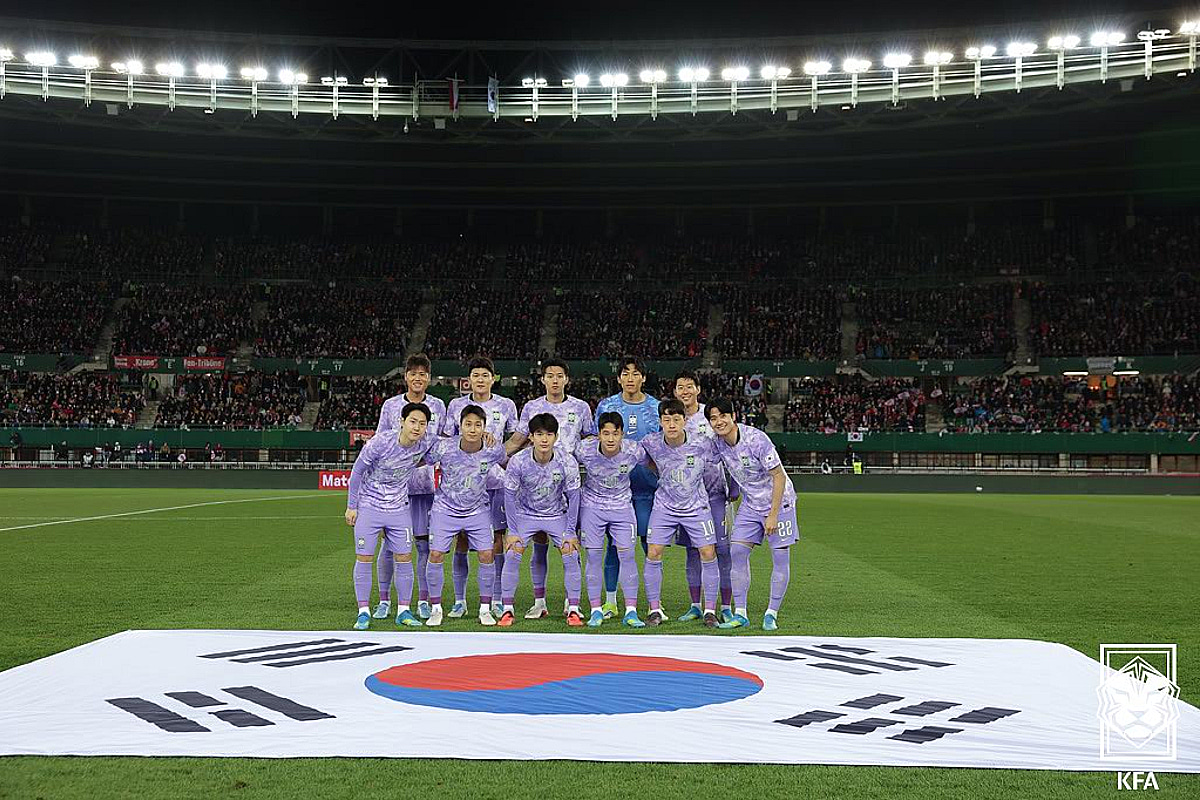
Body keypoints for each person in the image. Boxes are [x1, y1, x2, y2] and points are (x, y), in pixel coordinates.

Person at [508, 359, 596, 620]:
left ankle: (574, 604)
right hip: (534, 486)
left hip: (567, 486)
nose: (555, 380)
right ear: (543, 379)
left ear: (566, 379)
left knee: (570, 544)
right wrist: (489, 456)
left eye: (559, 376)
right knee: (539, 545)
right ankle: (539, 602)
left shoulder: (580, 407)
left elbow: (590, 439)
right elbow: (517, 440)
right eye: (550, 376)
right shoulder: (532, 407)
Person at [707, 398, 800, 630]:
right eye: (713, 418)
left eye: (723, 416)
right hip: (751, 504)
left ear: (733, 416)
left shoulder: (757, 440)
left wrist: (773, 514)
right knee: (737, 551)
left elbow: (778, 476)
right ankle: (741, 613)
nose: (719, 422)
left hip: (780, 503)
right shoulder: (717, 443)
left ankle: (771, 612)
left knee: (779, 557)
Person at [345, 402, 435, 631]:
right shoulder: (380, 442)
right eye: (413, 421)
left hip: (398, 509)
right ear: (402, 422)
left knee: (404, 558)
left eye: (422, 423)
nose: (417, 427)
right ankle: (363, 612)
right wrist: (352, 506)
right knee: (364, 557)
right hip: (369, 506)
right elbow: (357, 472)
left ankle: (403, 610)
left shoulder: (425, 444)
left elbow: (455, 446)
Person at [442, 356, 519, 618]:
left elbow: (517, 437)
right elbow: (446, 438)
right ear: (469, 379)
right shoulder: (456, 405)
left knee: (496, 542)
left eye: (485, 375)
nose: (480, 380)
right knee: (461, 540)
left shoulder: (506, 405)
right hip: (462, 485)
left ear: (493, 378)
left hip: (495, 483)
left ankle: (496, 598)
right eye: (476, 375)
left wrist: (498, 451)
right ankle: (460, 600)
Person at [373, 354, 447, 622]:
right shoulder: (391, 407)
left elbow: (445, 442)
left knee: (424, 545)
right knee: (389, 546)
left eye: (423, 374)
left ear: (429, 378)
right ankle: (384, 600)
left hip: (428, 486)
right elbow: (381, 441)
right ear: (405, 376)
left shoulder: (439, 406)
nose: (418, 378)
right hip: (394, 487)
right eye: (413, 373)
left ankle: (424, 600)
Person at [640, 399, 723, 628]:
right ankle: (655, 609)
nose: (672, 424)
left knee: (707, 552)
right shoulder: (651, 443)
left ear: (685, 421)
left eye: (676, 419)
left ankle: (710, 611)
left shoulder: (702, 443)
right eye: (667, 420)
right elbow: (633, 457)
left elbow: (724, 456)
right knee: (654, 551)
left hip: (697, 506)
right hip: (665, 506)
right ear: (660, 422)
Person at [423, 404, 507, 627]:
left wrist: (493, 440)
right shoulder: (444, 448)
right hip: (445, 509)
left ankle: (485, 609)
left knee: (487, 554)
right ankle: (436, 608)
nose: (472, 429)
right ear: (460, 426)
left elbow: (504, 456)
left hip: (478, 510)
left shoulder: (493, 450)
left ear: (484, 428)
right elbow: (423, 457)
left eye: (477, 425)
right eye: (468, 424)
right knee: (436, 554)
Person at [497, 413, 583, 627]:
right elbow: (509, 496)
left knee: (570, 553)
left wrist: (571, 531)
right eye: (539, 434)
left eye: (549, 434)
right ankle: (507, 609)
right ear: (531, 437)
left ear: (556, 437)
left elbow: (574, 497)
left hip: (556, 515)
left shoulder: (567, 461)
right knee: (513, 551)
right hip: (526, 514)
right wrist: (513, 530)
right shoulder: (518, 461)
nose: (544, 439)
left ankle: (573, 608)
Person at [593, 356, 660, 619]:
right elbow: (595, 441)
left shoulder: (656, 407)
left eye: (636, 373)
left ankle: (654, 603)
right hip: (615, 492)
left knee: (650, 544)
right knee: (613, 546)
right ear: (619, 378)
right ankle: (610, 602)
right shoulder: (607, 406)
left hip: (648, 489)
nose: (630, 378)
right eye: (625, 373)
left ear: (643, 377)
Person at [673, 369, 737, 623]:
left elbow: (728, 448)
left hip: (715, 493)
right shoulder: (672, 418)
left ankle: (726, 605)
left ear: (698, 389)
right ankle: (696, 604)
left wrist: (734, 485)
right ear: (675, 391)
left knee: (722, 550)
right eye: (680, 387)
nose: (685, 391)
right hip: (686, 496)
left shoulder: (710, 416)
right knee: (692, 551)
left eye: (689, 386)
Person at [574, 412, 647, 628]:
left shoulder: (634, 450)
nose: (611, 439)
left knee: (627, 556)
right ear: (598, 435)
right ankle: (596, 610)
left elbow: (657, 461)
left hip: (622, 508)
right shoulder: (584, 449)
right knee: (594, 556)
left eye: (615, 434)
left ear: (622, 434)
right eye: (606, 433)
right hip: (592, 508)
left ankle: (631, 611)